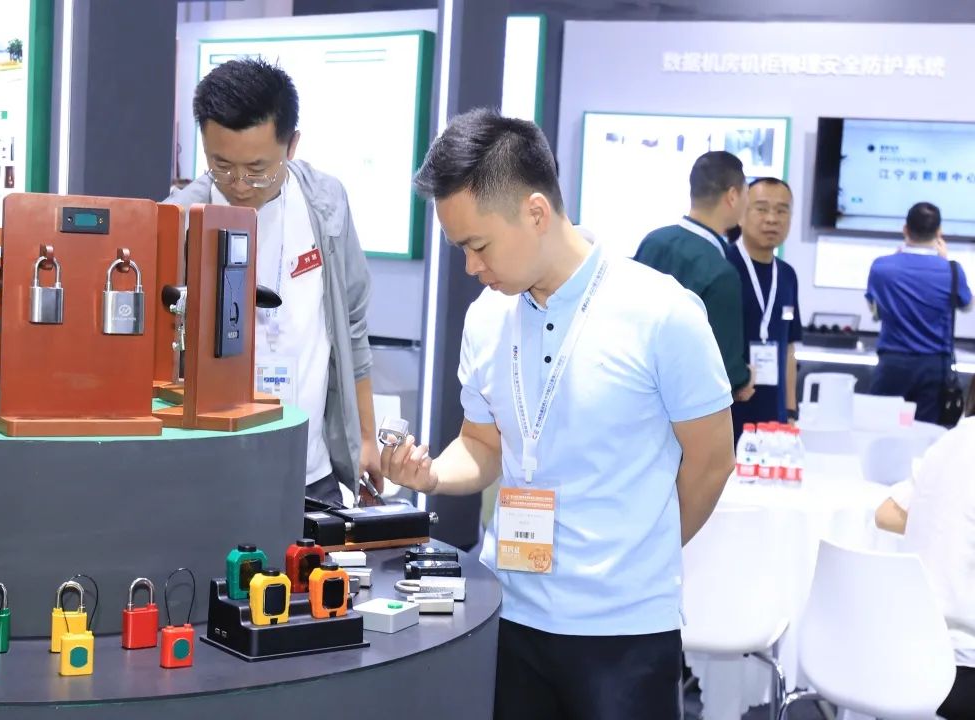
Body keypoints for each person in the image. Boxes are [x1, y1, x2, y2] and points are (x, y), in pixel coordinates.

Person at [392, 108, 736, 720]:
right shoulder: (487, 317)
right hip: (508, 612)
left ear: (535, 212)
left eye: (477, 246)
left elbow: (712, 460)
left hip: (624, 630)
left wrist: (642, 549)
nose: (471, 267)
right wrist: (434, 474)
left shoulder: (660, 311)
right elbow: (484, 443)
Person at [165, 58, 381, 505]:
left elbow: (352, 327)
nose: (240, 184)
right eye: (221, 165)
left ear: (292, 144)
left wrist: (365, 438)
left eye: (257, 167)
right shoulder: (179, 221)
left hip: (309, 473)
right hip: (208, 475)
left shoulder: (326, 205)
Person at [875, 378, 975, 720]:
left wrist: (949, 523)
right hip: (963, 665)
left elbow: (886, 513)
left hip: (912, 650)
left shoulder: (951, 441)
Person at [634, 150, 754, 403]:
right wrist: (744, 378)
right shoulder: (722, 273)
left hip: (635, 390)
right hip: (686, 408)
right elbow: (723, 368)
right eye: (747, 193)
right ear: (733, 196)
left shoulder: (652, 241)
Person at [866, 202, 973, 423]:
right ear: (939, 232)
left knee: (881, 428)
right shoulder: (952, 270)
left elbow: (875, 312)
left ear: (905, 229)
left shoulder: (881, 267)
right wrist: (944, 262)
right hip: (935, 367)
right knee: (929, 433)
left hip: (892, 364)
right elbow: (967, 305)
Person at [725, 177, 803, 437]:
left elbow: (788, 348)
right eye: (761, 209)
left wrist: (790, 412)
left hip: (773, 417)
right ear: (740, 214)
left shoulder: (787, 275)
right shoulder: (723, 266)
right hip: (727, 412)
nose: (772, 219)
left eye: (782, 211)